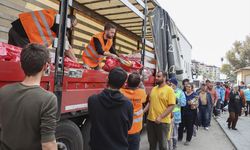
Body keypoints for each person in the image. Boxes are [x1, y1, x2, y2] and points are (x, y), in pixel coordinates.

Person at [0, 44, 58, 150]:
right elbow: (48, 145)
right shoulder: (48, 100)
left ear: (21, 65)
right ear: (45, 66)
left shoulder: (4, 91)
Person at [88, 67, 133, 150]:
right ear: (123, 85)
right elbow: (129, 127)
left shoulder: (92, 100)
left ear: (107, 79)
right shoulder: (128, 104)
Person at [8, 9, 77, 61]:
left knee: (10, 56)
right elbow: (67, 48)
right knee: (26, 61)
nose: (71, 29)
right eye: (72, 26)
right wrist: (75, 62)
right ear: (68, 22)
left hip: (14, 29)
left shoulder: (53, 15)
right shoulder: (61, 23)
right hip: (23, 35)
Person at [144, 71, 176, 150]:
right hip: (150, 121)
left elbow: (171, 106)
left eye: (159, 76)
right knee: (152, 144)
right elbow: (150, 102)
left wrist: (160, 117)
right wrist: (143, 111)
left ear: (164, 78)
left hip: (163, 122)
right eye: (156, 76)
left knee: (163, 145)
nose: (156, 78)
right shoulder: (154, 89)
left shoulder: (169, 90)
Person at [120, 72, 147, 150]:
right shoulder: (141, 93)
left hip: (123, 130)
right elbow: (142, 88)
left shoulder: (121, 92)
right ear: (138, 84)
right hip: (136, 130)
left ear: (127, 83)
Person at [168, 78, 186, 150]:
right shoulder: (167, 91)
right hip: (167, 114)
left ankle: (174, 147)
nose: (169, 85)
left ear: (174, 84)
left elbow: (183, 103)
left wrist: (177, 100)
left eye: (170, 83)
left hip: (176, 115)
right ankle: (169, 147)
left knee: (174, 133)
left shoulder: (180, 92)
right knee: (167, 133)